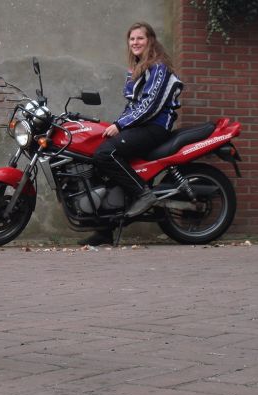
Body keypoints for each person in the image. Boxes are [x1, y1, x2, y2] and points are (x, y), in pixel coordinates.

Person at [79, 22, 183, 246]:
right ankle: (105, 230)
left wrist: (120, 124)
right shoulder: (137, 68)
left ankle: (143, 194)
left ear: (150, 41)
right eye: (132, 39)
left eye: (140, 38)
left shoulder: (159, 67)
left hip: (156, 127)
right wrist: (115, 125)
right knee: (97, 160)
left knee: (105, 155)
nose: (135, 42)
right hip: (139, 126)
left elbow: (150, 105)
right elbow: (132, 105)